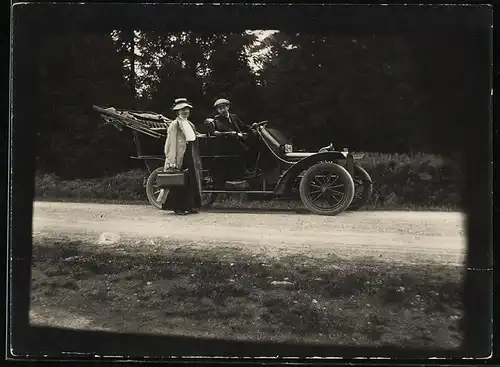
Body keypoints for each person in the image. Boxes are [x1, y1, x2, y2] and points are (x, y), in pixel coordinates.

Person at [162, 98, 202, 215]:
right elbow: (171, 143)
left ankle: (189, 206)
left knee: (191, 180)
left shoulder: (190, 124)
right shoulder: (175, 124)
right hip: (180, 153)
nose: (185, 111)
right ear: (177, 112)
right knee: (179, 180)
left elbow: (192, 137)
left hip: (190, 152)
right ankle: (178, 207)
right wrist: (171, 160)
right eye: (182, 110)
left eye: (187, 109)